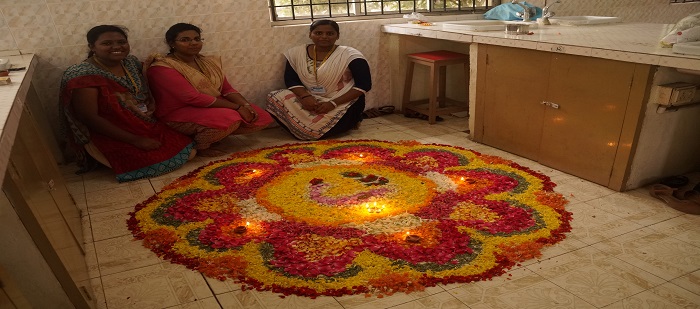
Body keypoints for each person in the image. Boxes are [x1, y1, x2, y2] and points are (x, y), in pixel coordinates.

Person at [60, 25, 195, 182]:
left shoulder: (130, 62)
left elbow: (144, 87)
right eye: (107, 43)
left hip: (142, 122)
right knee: (155, 161)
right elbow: (88, 117)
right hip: (108, 131)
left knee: (188, 149)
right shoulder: (83, 75)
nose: (116, 47)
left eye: (121, 42)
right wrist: (136, 140)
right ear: (92, 47)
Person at [146, 23, 273, 157]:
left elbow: (227, 89)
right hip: (177, 112)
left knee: (260, 116)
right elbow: (192, 97)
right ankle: (200, 145)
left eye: (197, 39)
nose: (193, 43)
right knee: (231, 118)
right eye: (185, 40)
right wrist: (237, 108)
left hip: (211, 106)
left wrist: (246, 106)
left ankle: (216, 132)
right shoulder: (162, 67)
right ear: (172, 43)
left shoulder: (208, 63)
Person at [266, 19, 372, 141]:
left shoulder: (351, 55)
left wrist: (332, 103)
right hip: (310, 98)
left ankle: (334, 124)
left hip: (341, 100)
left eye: (330, 33)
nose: (324, 37)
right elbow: (291, 80)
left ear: (337, 36)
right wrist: (305, 97)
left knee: (313, 132)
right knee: (274, 96)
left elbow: (364, 85)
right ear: (310, 34)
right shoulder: (296, 53)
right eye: (318, 33)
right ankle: (306, 124)